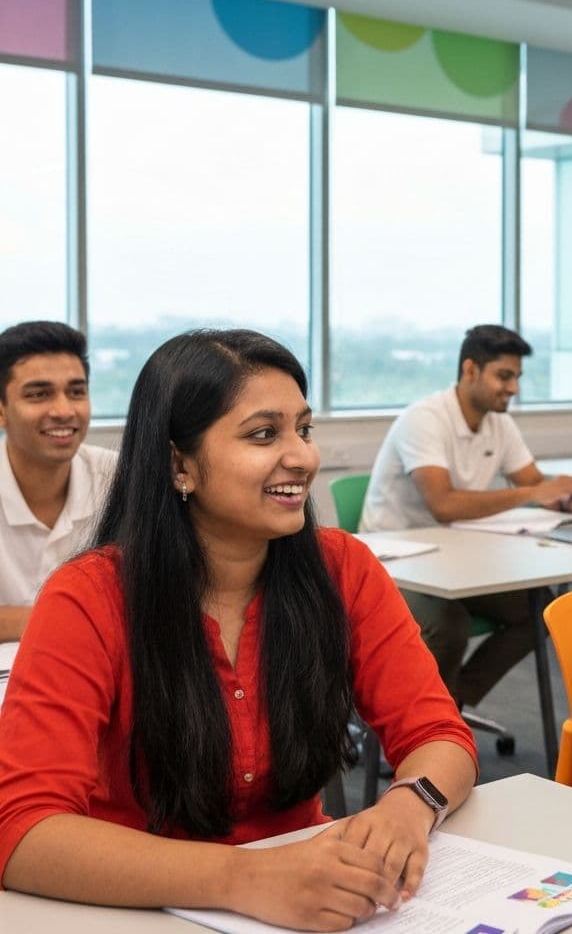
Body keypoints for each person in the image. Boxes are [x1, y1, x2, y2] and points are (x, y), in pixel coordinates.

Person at [0, 330, 477, 930]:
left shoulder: (341, 568)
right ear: (179, 464)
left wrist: (411, 806)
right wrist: (244, 879)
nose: (302, 457)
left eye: (303, 429)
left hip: (313, 894)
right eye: (263, 434)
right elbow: (23, 830)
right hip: (134, 905)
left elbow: (440, 734)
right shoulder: (89, 598)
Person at [361, 324, 572, 707]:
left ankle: (449, 706)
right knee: (448, 625)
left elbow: (532, 481)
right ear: (470, 370)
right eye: (504, 376)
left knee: (541, 610)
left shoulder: (499, 422)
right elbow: (444, 504)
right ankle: (415, 730)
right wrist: (534, 493)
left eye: (517, 377)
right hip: (394, 562)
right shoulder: (425, 419)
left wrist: (564, 498)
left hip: (456, 558)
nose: (513, 387)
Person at [0, 320, 116, 641]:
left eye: (76, 392)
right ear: (2, 410)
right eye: (39, 394)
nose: (64, 410)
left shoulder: (116, 478)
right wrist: (66, 617)